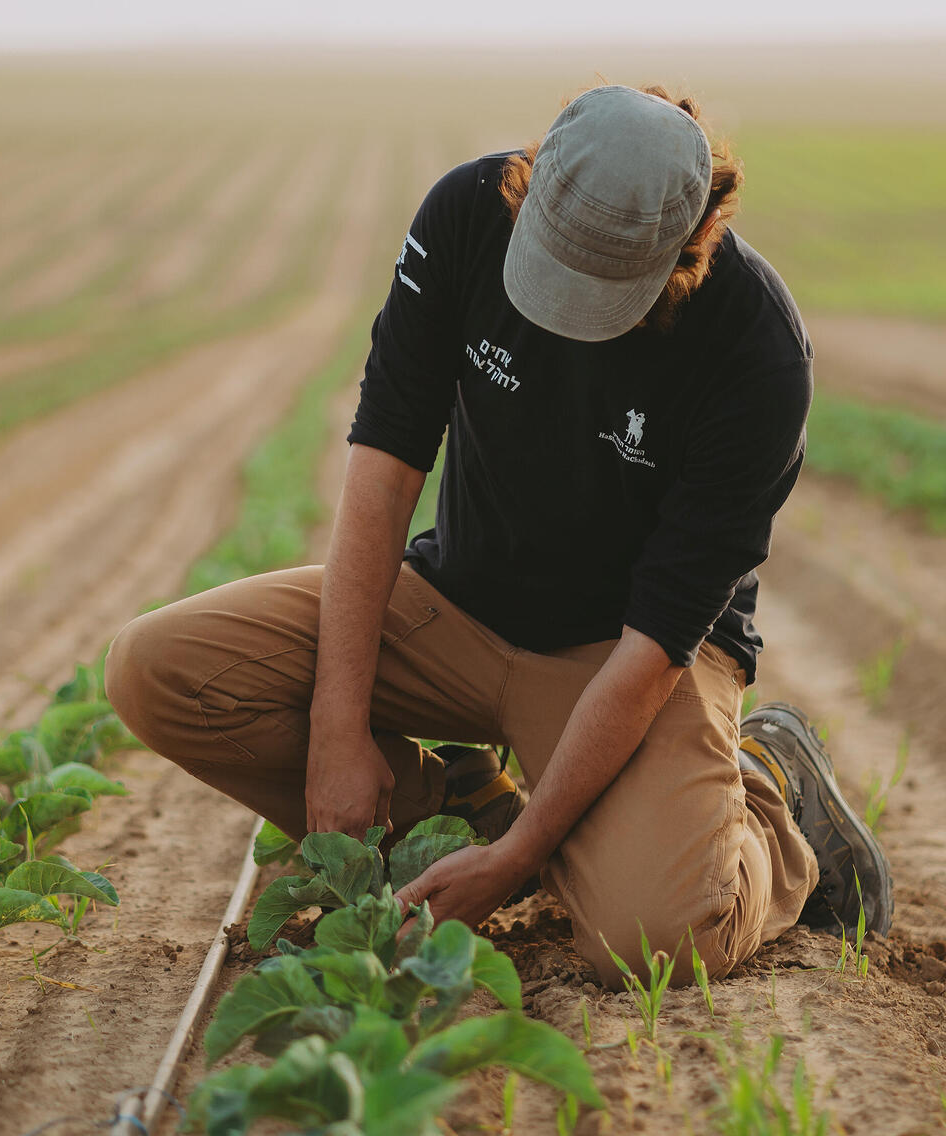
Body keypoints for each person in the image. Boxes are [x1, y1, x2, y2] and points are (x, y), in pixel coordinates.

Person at [105, 83, 893, 987]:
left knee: (655, 943)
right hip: (452, 604)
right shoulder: (464, 216)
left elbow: (656, 642)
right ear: (528, 185)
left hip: (620, 655)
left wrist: (521, 858)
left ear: (693, 242)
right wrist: (337, 724)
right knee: (157, 671)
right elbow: (385, 465)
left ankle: (767, 794)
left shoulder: (755, 353)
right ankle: (463, 801)